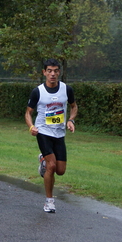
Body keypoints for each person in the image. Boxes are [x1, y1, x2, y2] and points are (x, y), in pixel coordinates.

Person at [25, 58, 78, 213]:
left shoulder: (67, 89)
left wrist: (71, 120)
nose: (53, 74)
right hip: (43, 132)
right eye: (49, 71)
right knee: (52, 166)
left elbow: (74, 107)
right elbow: (28, 113)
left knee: (60, 170)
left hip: (59, 133)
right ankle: (49, 201)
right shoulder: (38, 91)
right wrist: (31, 127)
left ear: (59, 72)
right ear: (44, 72)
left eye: (55, 71)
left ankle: (42, 159)